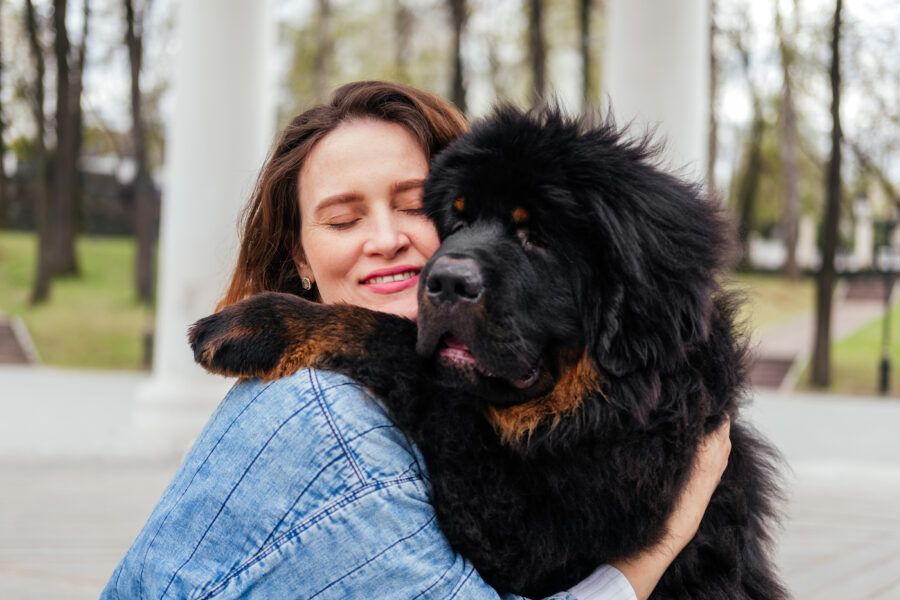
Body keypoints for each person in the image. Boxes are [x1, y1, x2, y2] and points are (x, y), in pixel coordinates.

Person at [101, 81, 731, 600]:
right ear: (299, 256)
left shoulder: (643, 372)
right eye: (344, 219)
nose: (386, 239)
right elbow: (508, 540)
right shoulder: (327, 418)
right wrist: (659, 548)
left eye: (415, 207)